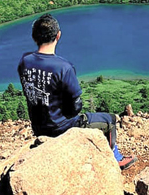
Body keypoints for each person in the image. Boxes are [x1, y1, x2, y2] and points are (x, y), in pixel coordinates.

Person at [17, 13, 137, 170]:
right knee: (110, 121)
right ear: (58, 36)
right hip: (61, 127)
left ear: (34, 37)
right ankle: (116, 159)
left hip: (39, 127)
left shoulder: (25, 61)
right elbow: (75, 106)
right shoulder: (63, 67)